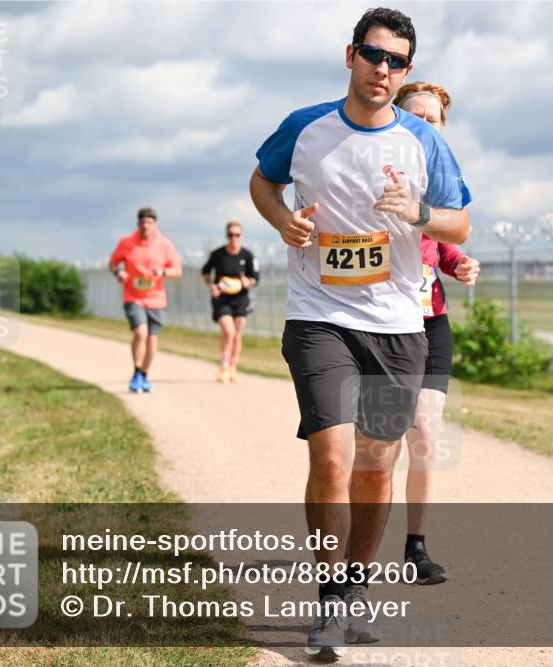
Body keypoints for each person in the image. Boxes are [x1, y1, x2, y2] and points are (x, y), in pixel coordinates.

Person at [249, 7, 471, 659]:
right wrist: (282, 220)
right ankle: (328, 601)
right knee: (333, 456)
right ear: (351, 56)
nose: (383, 69)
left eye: (397, 61)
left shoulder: (422, 141)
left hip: (400, 325)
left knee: (377, 465)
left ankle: (354, 584)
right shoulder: (306, 127)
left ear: (407, 69)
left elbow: (458, 225)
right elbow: (264, 179)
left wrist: (419, 212)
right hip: (319, 316)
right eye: (374, 55)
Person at [394, 81, 481, 585]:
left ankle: (416, 548)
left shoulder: (444, 181)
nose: (426, 126)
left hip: (430, 321)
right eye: (416, 116)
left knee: (426, 432)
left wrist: (460, 263)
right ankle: (352, 551)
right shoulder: (375, 171)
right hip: (378, 323)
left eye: (435, 120)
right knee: (376, 442)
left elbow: (443, 244)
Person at [109, 207, 183, 393]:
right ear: (138, 224)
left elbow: (177, 270)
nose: (145, 227)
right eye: (142, 223)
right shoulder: (127, 243)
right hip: (133, 296)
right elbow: (113, 262)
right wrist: (120, 272)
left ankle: (144, 374)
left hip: (156, 298)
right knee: (140, 333)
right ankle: (136, 371)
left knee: (152, 340)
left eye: (149, 223)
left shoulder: (165, 244)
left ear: (155, 225)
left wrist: (164, 271)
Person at [201, 221, 260, 383]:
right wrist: (211, 286)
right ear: (226, 235)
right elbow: (205, 273)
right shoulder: (218, 254)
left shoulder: (248, 255)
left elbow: (255, 278)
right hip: (222, 298)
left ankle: (233, 368)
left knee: (237, 335)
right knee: (229, 332)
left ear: (241, 236)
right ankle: (224, 367)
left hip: (241, 298)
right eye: (231, 235)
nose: (234, 238)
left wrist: (248, 282)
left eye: (237, 235)